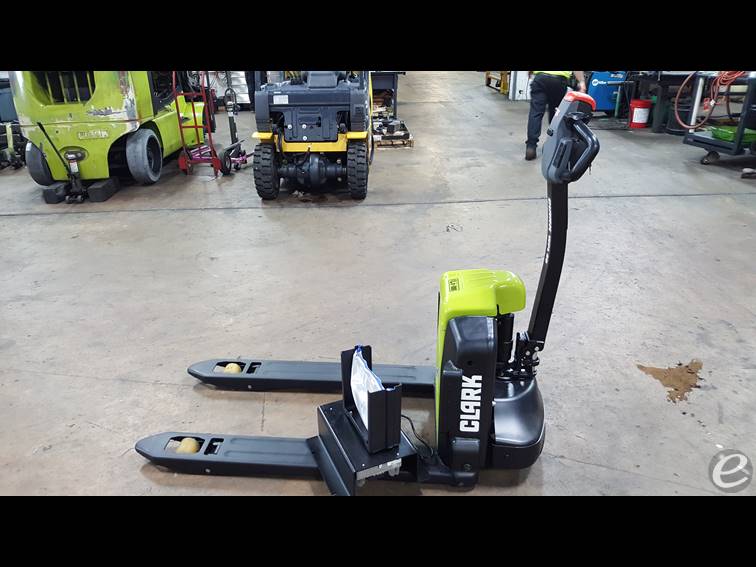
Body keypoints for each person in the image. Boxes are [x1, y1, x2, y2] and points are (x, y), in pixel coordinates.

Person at [525, 71, 586, 161]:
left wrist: (530, 72)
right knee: (555, 114)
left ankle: (531, 147)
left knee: (536, 113)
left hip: (541, 78)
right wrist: (581, 81)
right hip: (559, 80)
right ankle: (553, 145)